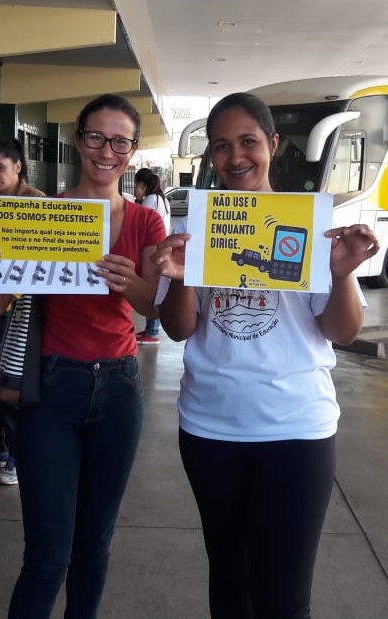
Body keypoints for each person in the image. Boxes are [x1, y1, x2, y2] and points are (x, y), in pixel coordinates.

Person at [153, 92, 381, 619]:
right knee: (229, 582)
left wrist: (341, 273)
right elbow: (179, 329)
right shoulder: (194, 230)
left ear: (273, 144)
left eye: (248, 142)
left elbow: (341, 331)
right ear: (210, 155)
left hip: (297, 431)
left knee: (285, 596)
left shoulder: (310, 224)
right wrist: (182, 278)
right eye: (221, 146)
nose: (236, 157)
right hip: (210, 430)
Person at [0, 94, 166, 618]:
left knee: (94, 547)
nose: (107, 151)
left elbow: (153, 308)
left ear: (132, 150)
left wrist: (131, 282)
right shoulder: (38, 216)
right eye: (96, 137)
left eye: (120, 142)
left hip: (119, 389)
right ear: (78, 140)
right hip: (51, 389)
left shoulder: (145, 222)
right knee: (48, 556)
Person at [0, 137, 46, 486]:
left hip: (25, 309)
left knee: (17, 381)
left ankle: (18, 453)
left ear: (18, 166)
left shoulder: (38, 203)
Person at [133, 168, 170, 344]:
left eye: (135, 186)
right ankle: (150, 330)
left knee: (152, 291)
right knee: (157, 289)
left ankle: (152, 332)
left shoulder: (149, 200)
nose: (135, 190)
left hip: (152, 250)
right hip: (162, 248)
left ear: (142, 185)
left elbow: (140, 226)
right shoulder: (162, 199)